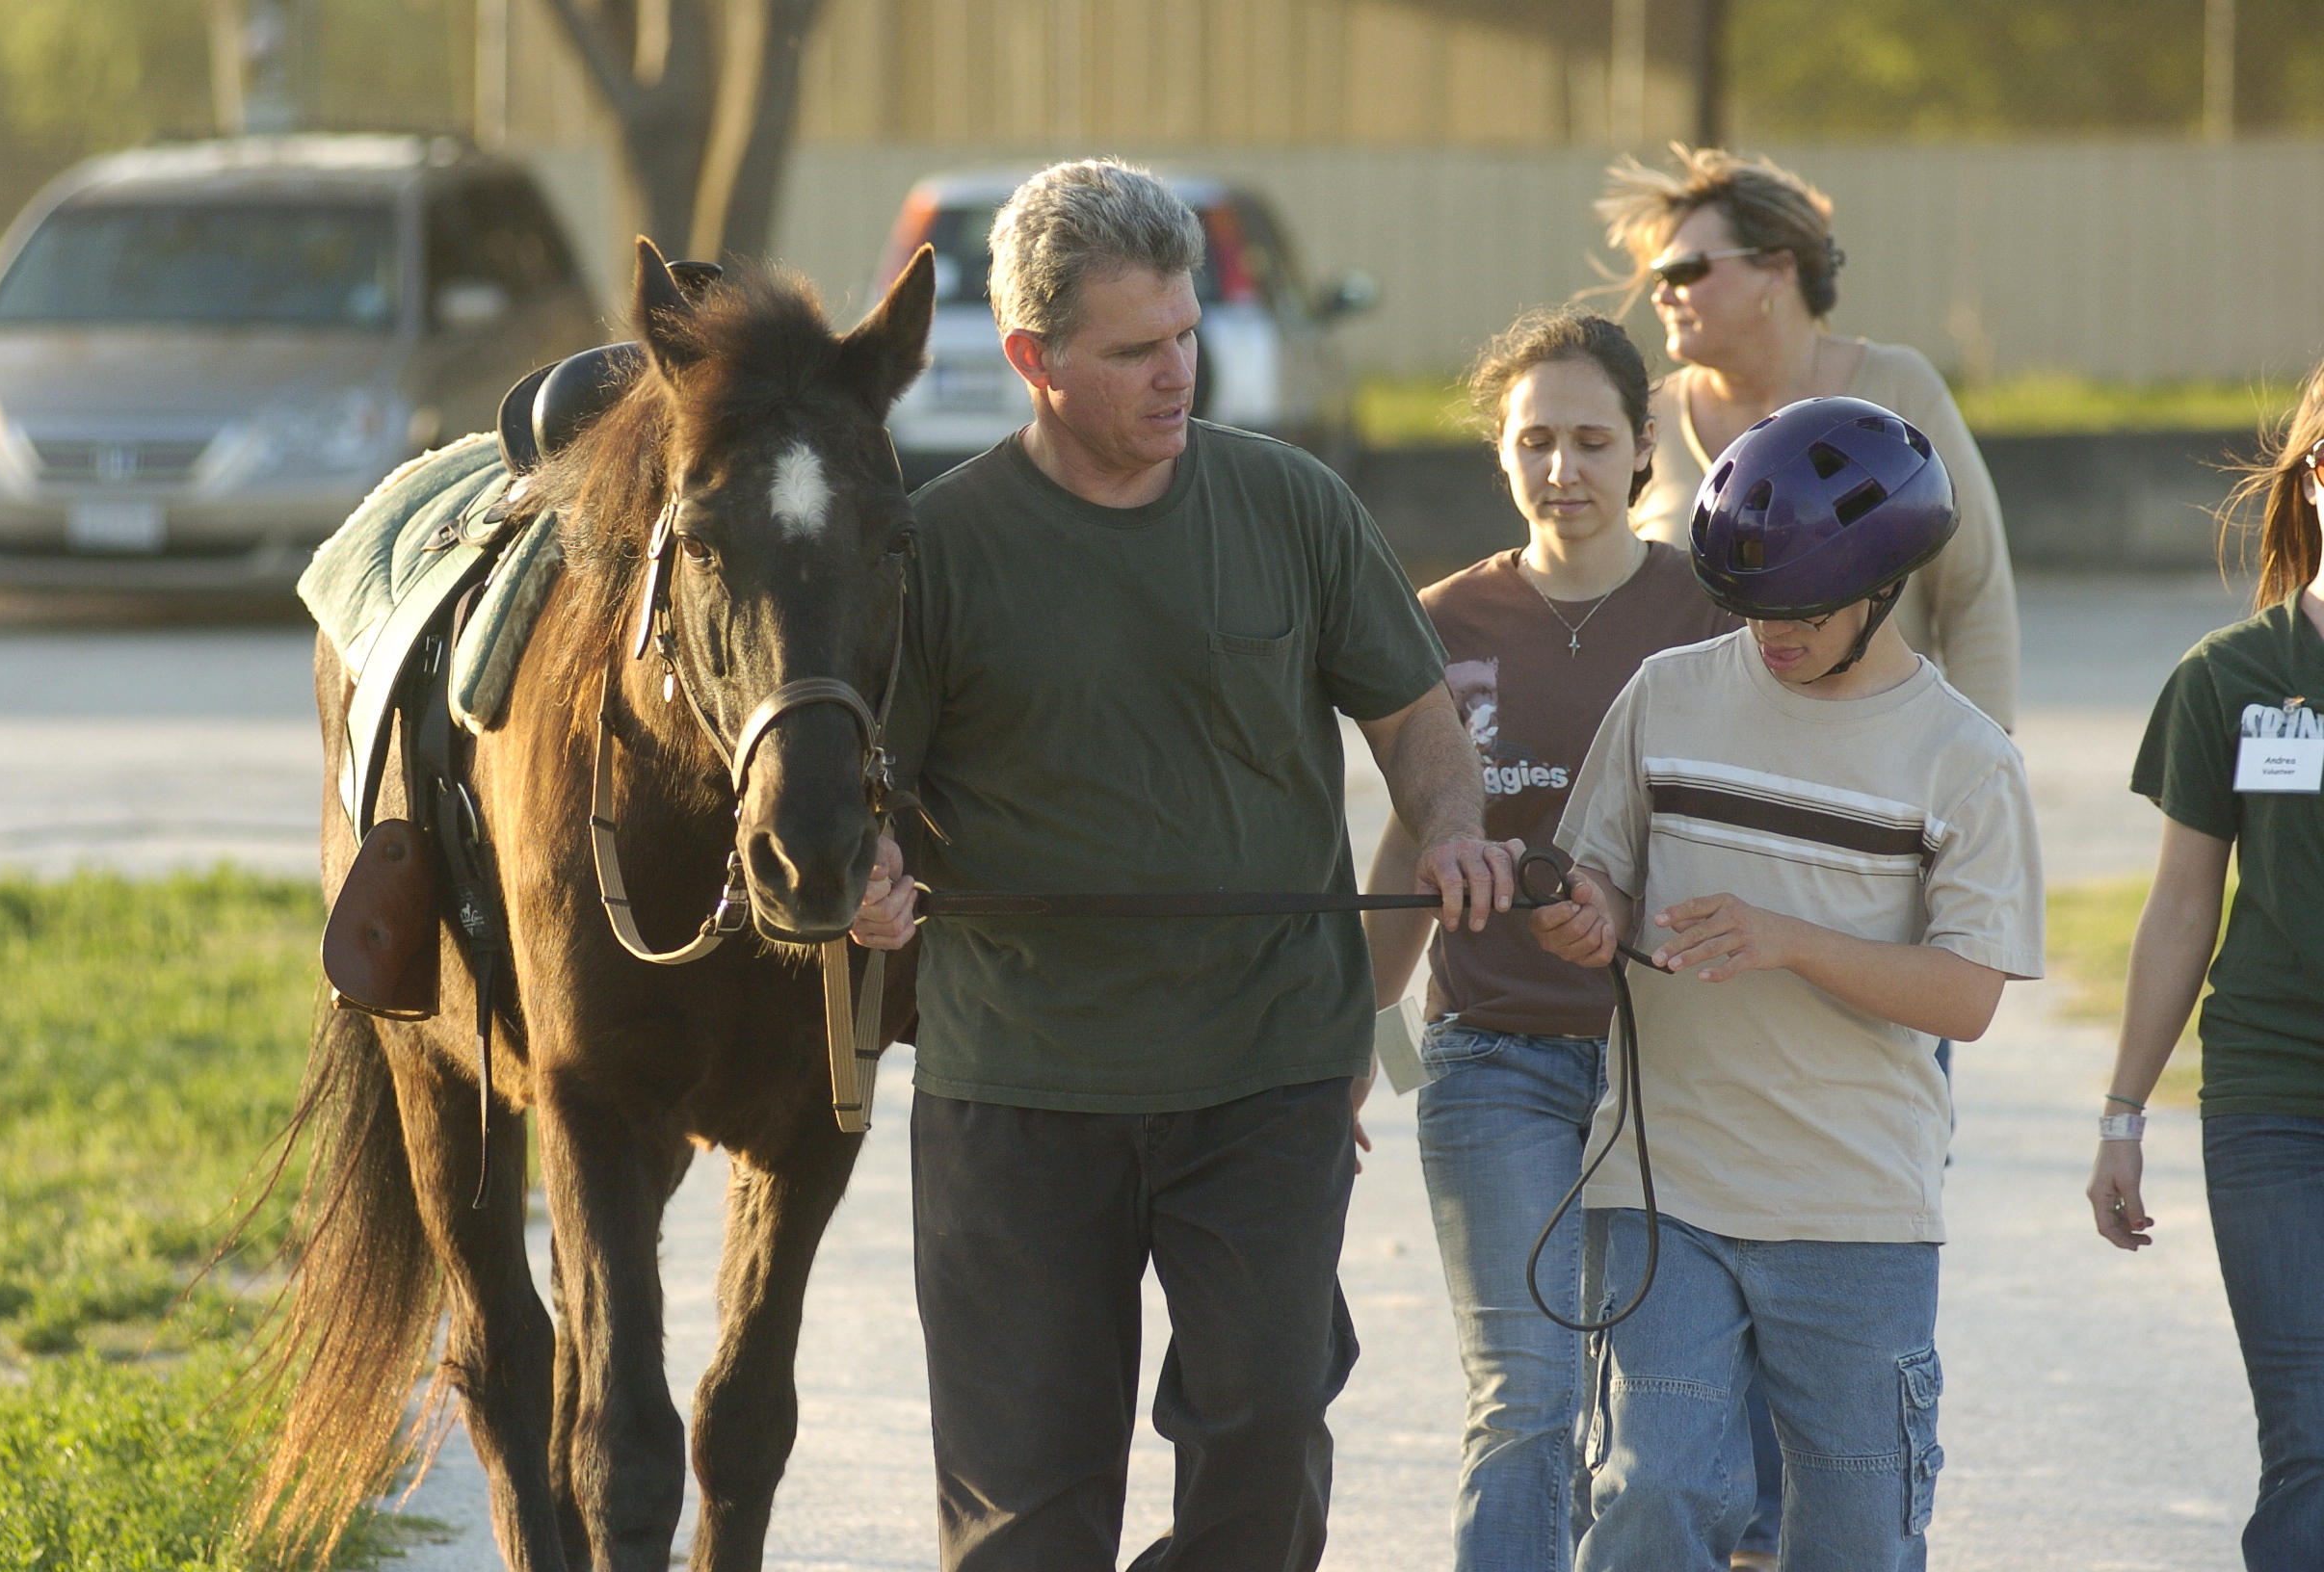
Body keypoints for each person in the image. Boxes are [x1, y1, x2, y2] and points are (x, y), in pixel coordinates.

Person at [847, 158, 1520, 1572]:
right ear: (1033, 360)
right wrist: (870, 875)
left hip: (1265, 1071)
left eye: (1187, 337)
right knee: (1024, 1522)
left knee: (1264, 1451)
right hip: (1018, 1091)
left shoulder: (1293, 505)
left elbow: (1413, 716)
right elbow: (873, 802)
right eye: (1134, 351)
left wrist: (1453, 822)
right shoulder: (939, 550)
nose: (1177, 376)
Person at [1529, 395, 2045, 1571]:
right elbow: (1598, 876)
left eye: (1803, 609)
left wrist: (1790, 938)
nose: (1772, 632)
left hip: (1857, 1210)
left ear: (1886, 583)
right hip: (1665, 1193)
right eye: (1750, 603)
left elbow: (1967, 997)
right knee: (1653, 1493)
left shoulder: (1965, 759)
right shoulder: (1665, 695)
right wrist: (1582, 918)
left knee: (1858, 1538)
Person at [1360, 307, 1734, 1572]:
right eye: (1535, 441)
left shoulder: (1714, 616)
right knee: (1526, 1400)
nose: (1563, 469)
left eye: (1591, 440)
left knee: (1663, 1423)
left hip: (1670, 1069)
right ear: (1502, 456)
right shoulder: (1442, 620)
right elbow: (1406, 848)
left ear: (1642, 449)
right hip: (1489, 1065)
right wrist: (1368, 1054)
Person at [2087, 356, 2324, 1571]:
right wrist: (2121, 1114)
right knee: (2312, 1452)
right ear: (2314, 479)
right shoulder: (2229, 675)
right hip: (2276, 1105)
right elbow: (2182, 907)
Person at [1596, 144, 2020, 734]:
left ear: (1778, 269)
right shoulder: (1648, 420)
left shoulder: (1897, 389)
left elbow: (1976, 595)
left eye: (1685, 270)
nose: (1661, 294)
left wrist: (1979, 760)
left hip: (1878, 760)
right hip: (1701, 773)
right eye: (1659, 277)